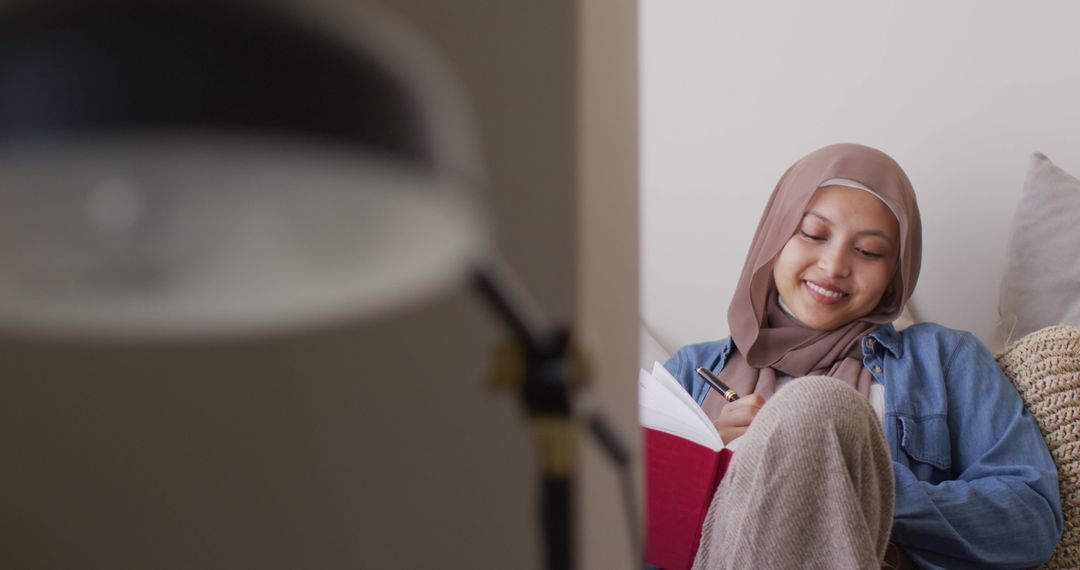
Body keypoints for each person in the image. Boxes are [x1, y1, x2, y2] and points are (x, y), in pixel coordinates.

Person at [663, 144, 1063, 569]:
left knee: (818, 406)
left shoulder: (946, 359)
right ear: (775, 235)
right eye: (814, 235)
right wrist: (706, 465)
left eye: (869, 251)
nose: (834, 265)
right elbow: (617, 531)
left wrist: (864, 481)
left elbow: (1031, 518)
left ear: (896, 271)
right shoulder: (692, 371)